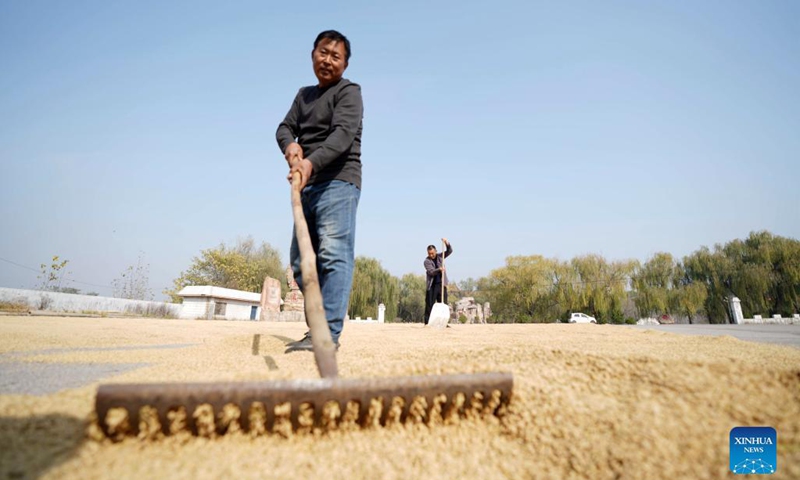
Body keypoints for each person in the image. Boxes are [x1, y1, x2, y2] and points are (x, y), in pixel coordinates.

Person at [277, 30, 363, 352]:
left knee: (333, 255)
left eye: (335, 56)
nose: (327, 60)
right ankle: (317, 330)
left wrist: (310, 162)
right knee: (300, 262)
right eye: (323, 52)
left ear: (345, 63)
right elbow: (284, 127)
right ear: (313, 53)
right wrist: (291, 147)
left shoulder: (349, 92)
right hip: (307, 186)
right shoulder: (304, 96)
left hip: (339, 182)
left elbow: (342, 136)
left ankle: (327, 336)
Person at [424, 238, 452, 325]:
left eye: (432, 253)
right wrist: (439, 269)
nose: (431, 255)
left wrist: (446, 243)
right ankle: (427, 322)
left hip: (441, 285)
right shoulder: (426, 261)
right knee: (430, 305)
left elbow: (449, 251)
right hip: (432, 286)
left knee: (443, 304)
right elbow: (431, 272)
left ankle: (444, 323)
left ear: (435, 251)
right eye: (429, 253)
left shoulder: (441, 256)